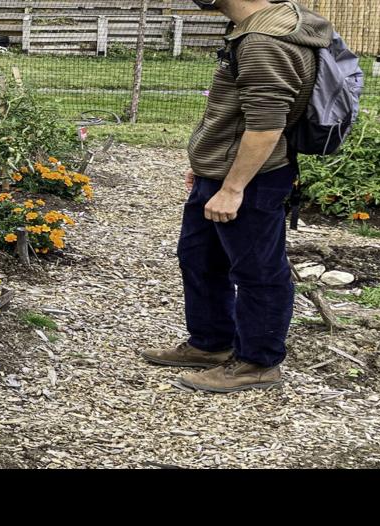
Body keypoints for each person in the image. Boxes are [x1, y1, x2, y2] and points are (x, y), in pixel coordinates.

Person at [141, 0, 331, 393]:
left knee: (258, 272)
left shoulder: (265, 41)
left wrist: (232, 187)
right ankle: (211, 344)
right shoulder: (254, 29)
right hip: (224, 171)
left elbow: (266, 127)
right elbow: (236, 115)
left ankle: (257, 363)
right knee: (200, 258)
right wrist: (209, 164)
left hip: (252, 180)